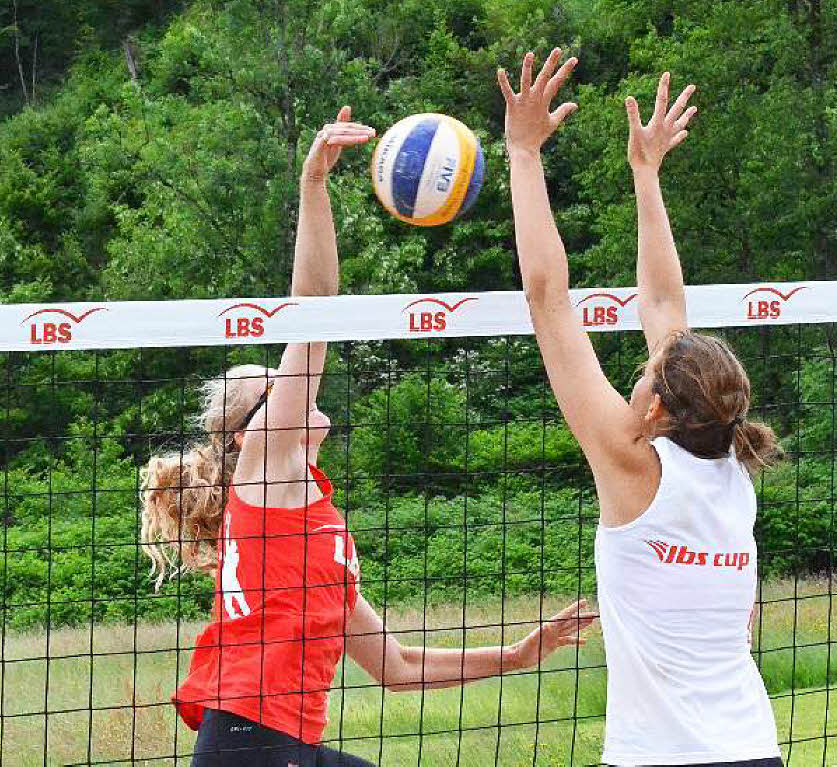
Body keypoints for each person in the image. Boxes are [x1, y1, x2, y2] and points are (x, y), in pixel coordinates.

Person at [140, 106, 596, 767]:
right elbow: (315, 305)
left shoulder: (314, 519)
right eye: (271, 388)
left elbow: (398, 663)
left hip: (268, 749)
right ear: (248, 433)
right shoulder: (266, 469)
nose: (291, 383)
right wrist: (313, 186)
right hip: (252, 744)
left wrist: (520, 653)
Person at [498, 49, 784, 767]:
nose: (645, 359)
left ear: (655, 406)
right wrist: (645, 175)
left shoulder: (631, 463)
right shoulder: (731, 471)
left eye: (649, 366)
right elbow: (663, 305)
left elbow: (548, 297)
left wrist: (522, 152)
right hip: (753, 751)